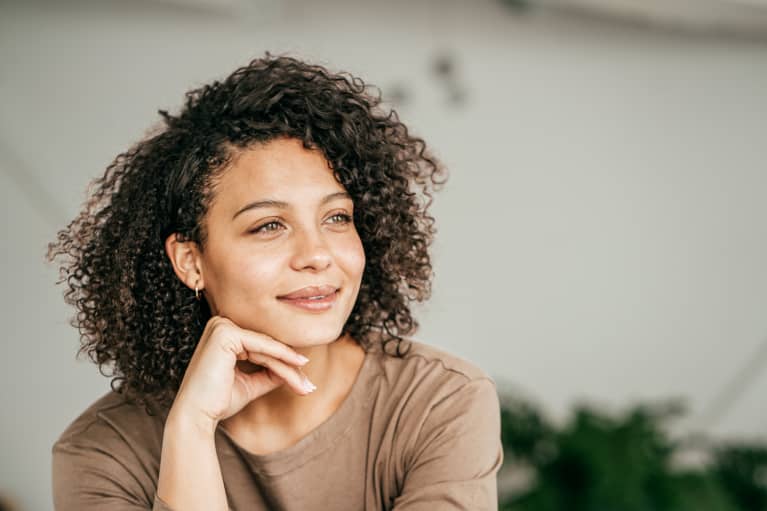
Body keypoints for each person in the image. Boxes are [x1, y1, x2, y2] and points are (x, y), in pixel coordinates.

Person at [47, 53, 503, 511]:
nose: (317, 255)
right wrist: (191, 428)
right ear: (190, 261)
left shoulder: (440, 403)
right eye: (269, 225)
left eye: (337, 217)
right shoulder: (104, 451)